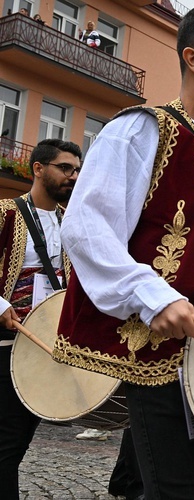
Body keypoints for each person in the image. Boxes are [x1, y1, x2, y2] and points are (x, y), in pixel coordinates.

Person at [52, 2, 194, 498]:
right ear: (193, 57)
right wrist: (153, 296)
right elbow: (86, 229)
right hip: (158, 355)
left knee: (165, 481)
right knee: (179, 490)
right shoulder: (140, 130)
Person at [0, 139, 80, 499]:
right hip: (5, 341)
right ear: (37, 168)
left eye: (77, 169)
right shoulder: (6, 212)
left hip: (47, 343)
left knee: (16, 442)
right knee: (7, 442)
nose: (73, 176)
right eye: (65, 168)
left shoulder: (72, 221)